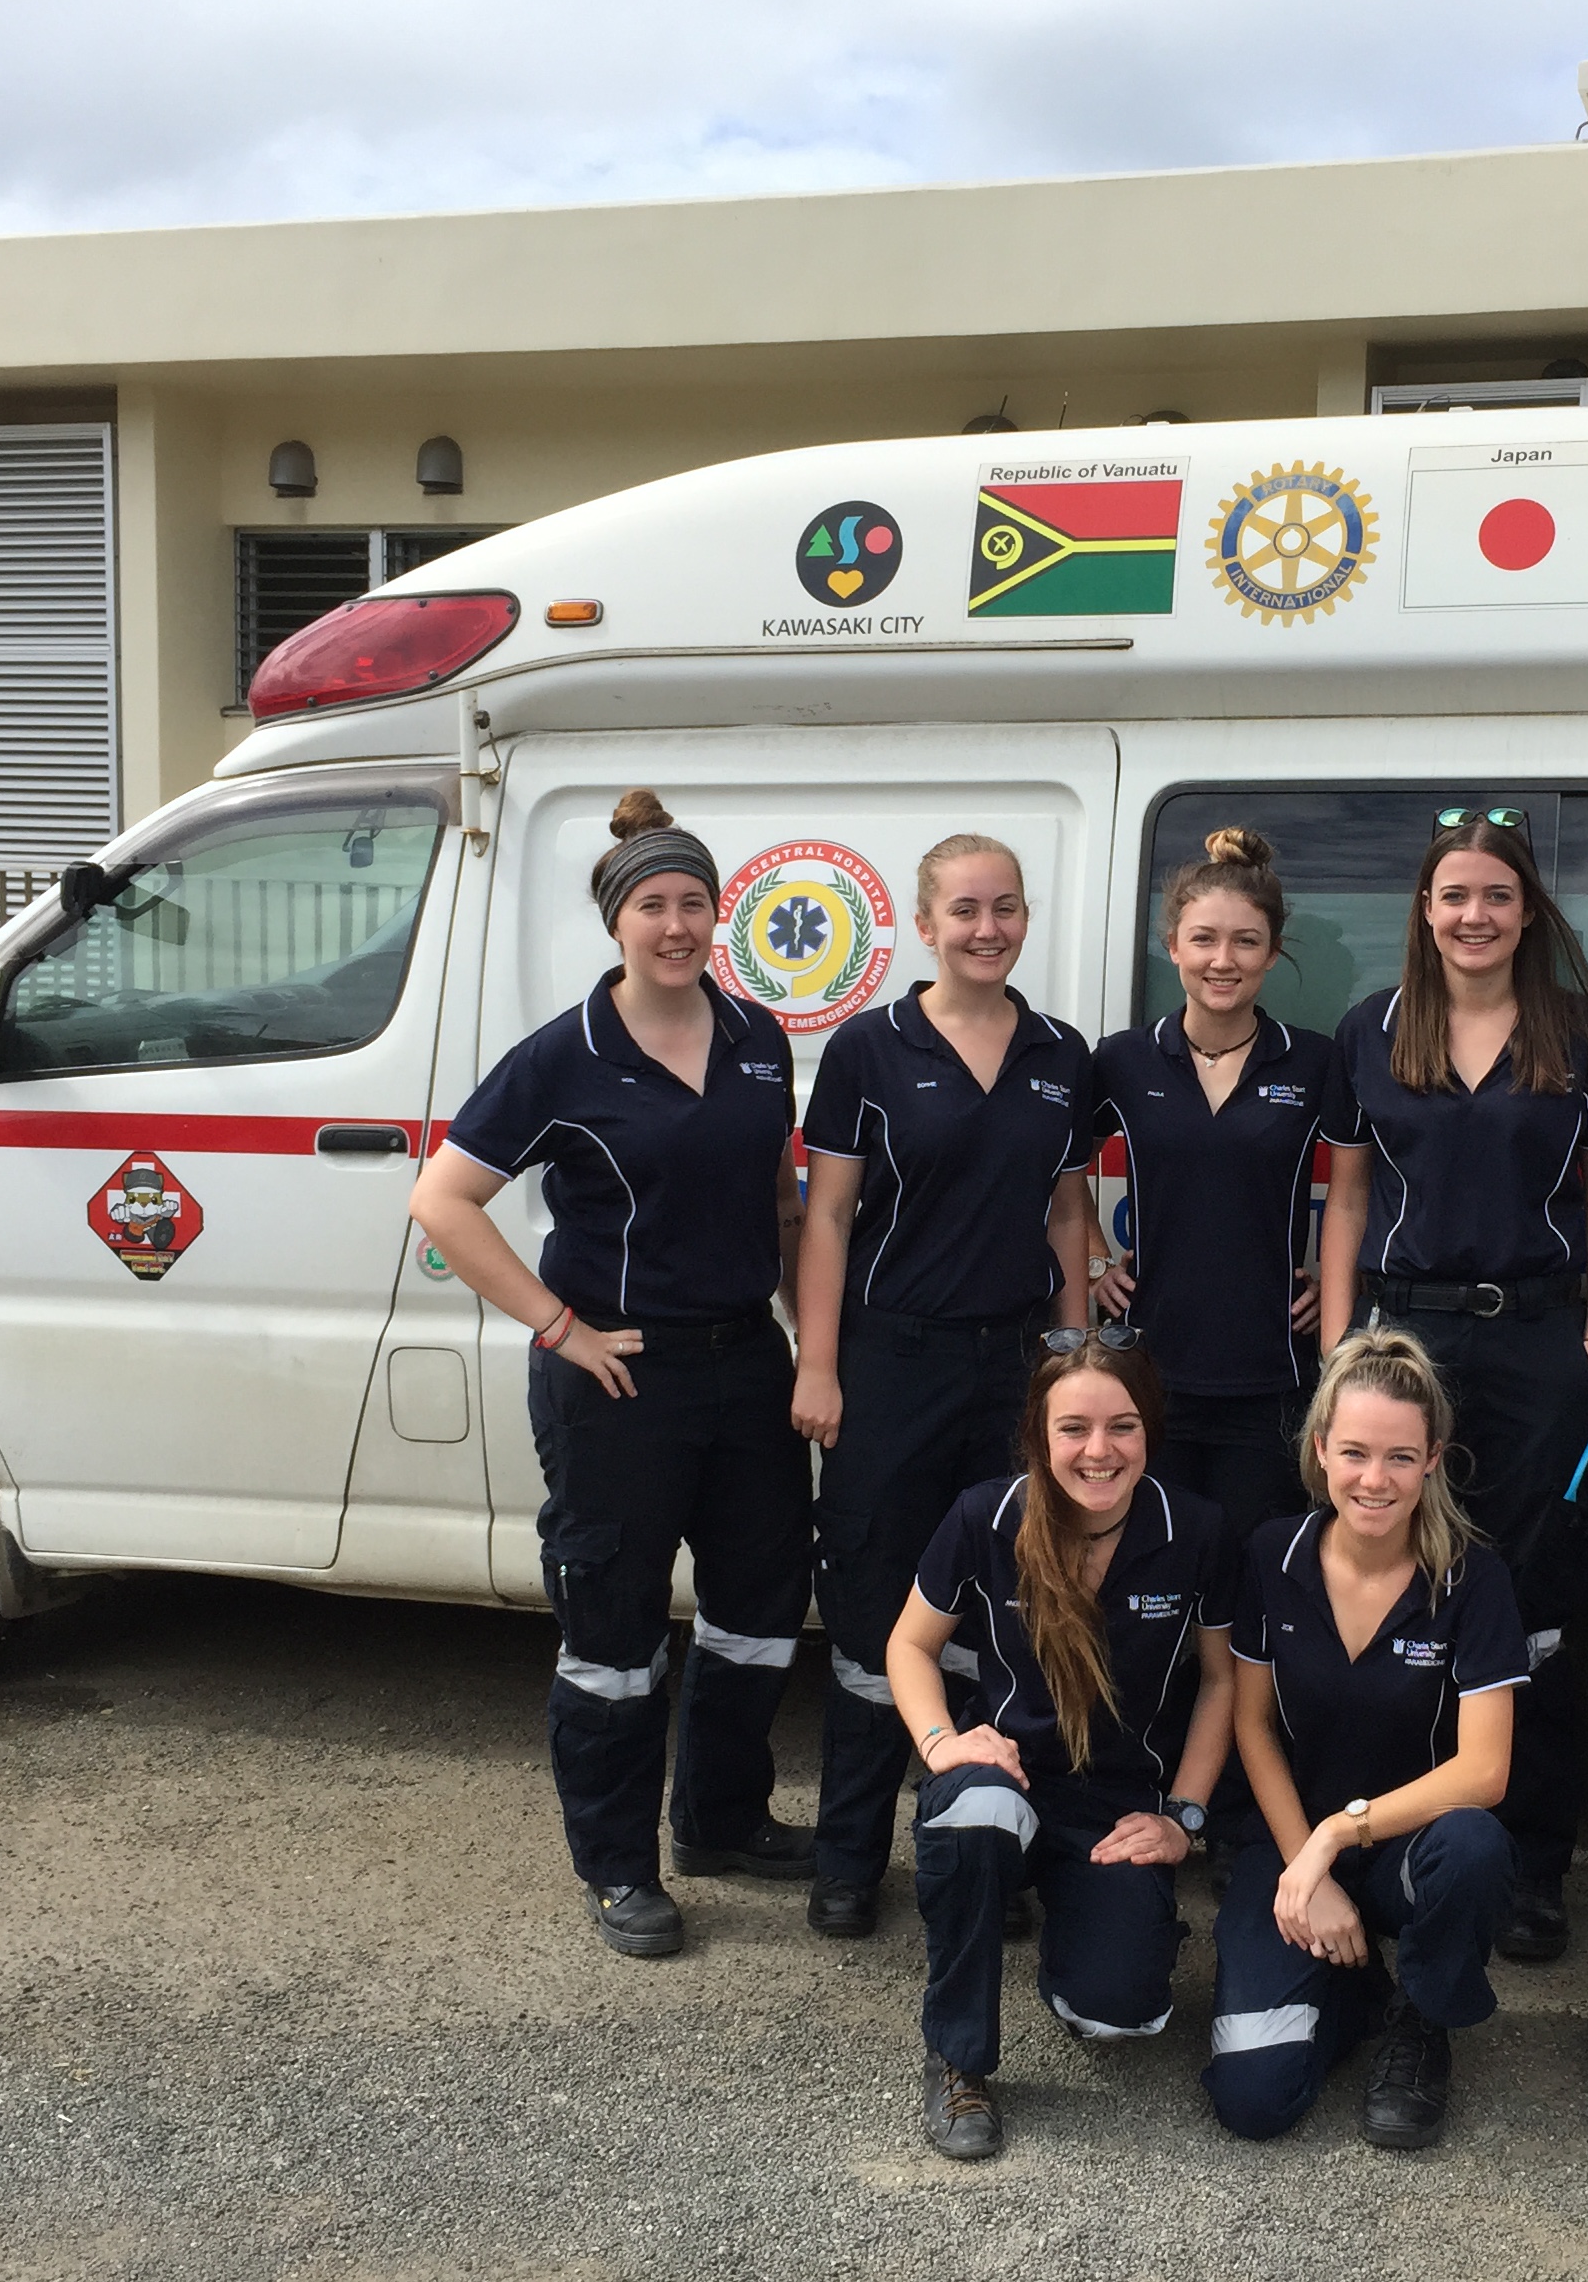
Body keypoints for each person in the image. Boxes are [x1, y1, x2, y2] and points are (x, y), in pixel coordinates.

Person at [410, 789, 814, 1958]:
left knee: (756, 1618)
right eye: (653, 905)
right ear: (617, 922)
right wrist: (557, 1325)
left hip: (747, 1366)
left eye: (694, 902)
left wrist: (807, 1348)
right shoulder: (562, 1058)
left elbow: (778, 1211)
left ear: (718, 913)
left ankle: (722, 1823)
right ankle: (620, 1867)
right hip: (620, 1384)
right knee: (616, 1637)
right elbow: (443, 1201)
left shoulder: (756, 1041)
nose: (676, 925)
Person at [1316, 807, 1588, 1964]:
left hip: (1538, 1345)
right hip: (1405, 1348)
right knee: (1405, 1598)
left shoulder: (1584, 1035)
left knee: (1535, 1612)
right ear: (1424, 910)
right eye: (1453, 896)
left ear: (1527, 913)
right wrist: (1342, 1351)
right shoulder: (1373, 1029)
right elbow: (1346, 1199)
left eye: (1496, 896)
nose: (1474, 915)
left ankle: (1532, 1868)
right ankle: (1400, 1845)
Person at [791, 833, 1099, 1939]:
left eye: (1005, 908)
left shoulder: (1065, 1055)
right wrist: (819, 1364)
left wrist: (1074, 1354)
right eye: (965, 910)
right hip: (891, 1360)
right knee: (878, 1613)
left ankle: (979, 1850)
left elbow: (1070, 1217)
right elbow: (826, 1216)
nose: (987, 928)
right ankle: (848, 1857)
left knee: (1006, 1617)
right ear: (924, 926)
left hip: (1016, 1365)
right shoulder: (869, 1049)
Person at [886, 1336, 1237, 2161]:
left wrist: (1182, 1817)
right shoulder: (986, 1516)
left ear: (1149, 1430)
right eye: (1074, 1427)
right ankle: (958, 2058)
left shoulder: (1197, 1530)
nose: (1099, 1451)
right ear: (1040, 1436)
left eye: (1122, 1426)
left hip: (1115, 1805)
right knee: (975, 1817)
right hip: (1005, 1774)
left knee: (1119, 2013)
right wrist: (941, 1744)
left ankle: (1071, 1922)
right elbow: (908, 1647)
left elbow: (1223, 1684)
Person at [1204, 1329, 1525, 2150]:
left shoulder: (1473, 1579)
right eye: (1353, 1452)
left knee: (1476, 1846)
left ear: (1433, 1459)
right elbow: (1251, 1722)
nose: (1373, 1479)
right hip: (1287, 1840)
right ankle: (1354, 1988)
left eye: (1398, 1457)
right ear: (1319, 1450)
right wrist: (1305, 1868)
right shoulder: (1273, 1553)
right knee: (1253, 2099)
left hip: (1406, 1849)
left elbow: (1485, 1772)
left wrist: (1336, 1840)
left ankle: (1422, 2019)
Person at [1087, 827, 1337, 1548]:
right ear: (1173, 947)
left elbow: (1363, 1187)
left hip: (1272, 1370)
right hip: (1149, 1366)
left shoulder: (1314, 1064)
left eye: (1245, 942)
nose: (1222, 961)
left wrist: (1334, 1278)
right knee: (1154, 1562)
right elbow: (1048, 1162)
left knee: (1254, 1562)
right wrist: (1096, 1261)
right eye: (1203, 940)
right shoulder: (1123, 1060)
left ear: (1273, 952)